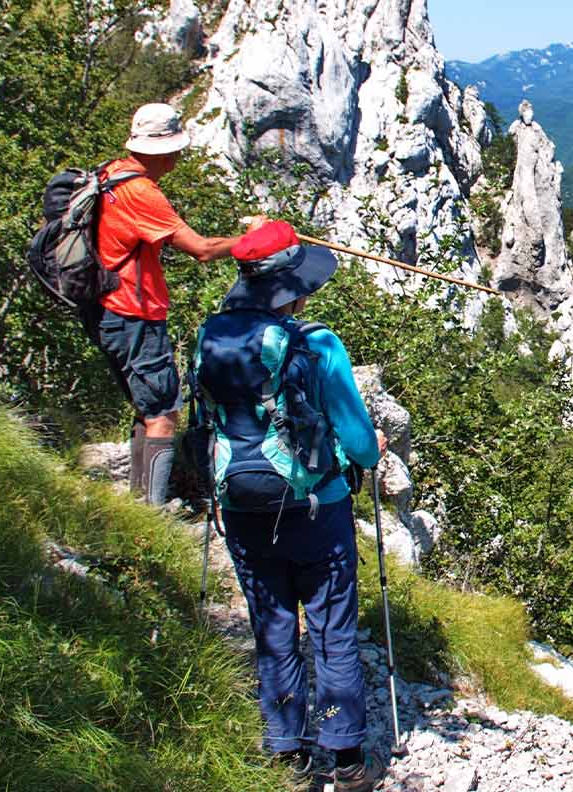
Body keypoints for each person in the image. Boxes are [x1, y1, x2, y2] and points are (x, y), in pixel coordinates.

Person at [201, 221, 389, 792]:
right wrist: (372, 449)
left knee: (273, 625)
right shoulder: (317, 344)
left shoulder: (210, 337)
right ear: (291, 287)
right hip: (315, 509)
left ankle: (287, 753)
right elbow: (357, 443)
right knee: (331, 629)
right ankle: (348, 761)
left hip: (239, 508)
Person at [83, 101, 264, 505]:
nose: (181, 156)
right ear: (164, 149)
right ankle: (151, 513)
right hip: (133, 312)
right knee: (164, 414)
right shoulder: (141, 192)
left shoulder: (111, 174)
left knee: (147, 407)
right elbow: (201, 249)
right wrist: (256, 239)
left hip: (107, 309)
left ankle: (139, 503)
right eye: (178, 148)